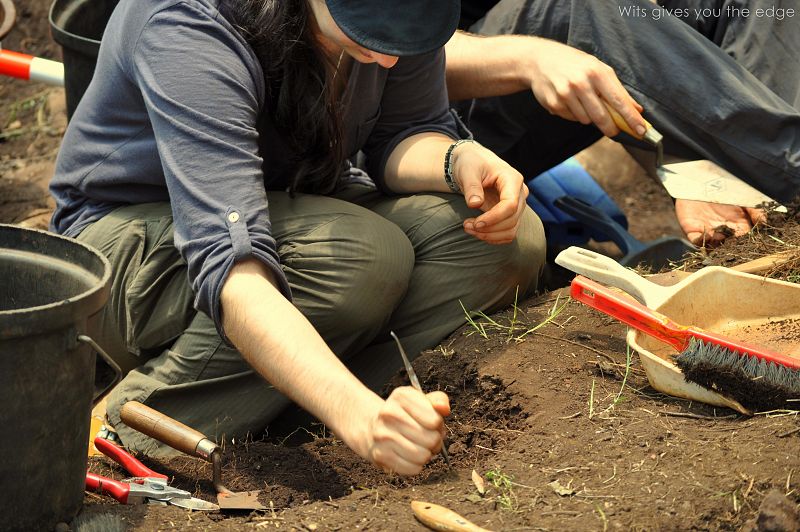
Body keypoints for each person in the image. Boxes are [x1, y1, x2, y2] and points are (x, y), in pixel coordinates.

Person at [50, 0, 545, 474]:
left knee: (504, 240)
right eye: (369, 28)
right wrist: (358, 417)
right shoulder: (191, 23)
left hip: (299, 200)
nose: (391, 57)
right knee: (360, 256)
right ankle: (126, 431)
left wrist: (455, 160)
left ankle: (297, 419)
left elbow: (404, 130)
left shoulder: (397, 21)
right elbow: (232, 269)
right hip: (124, 250)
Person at [447, 0, 800, 246]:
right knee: (572, 7)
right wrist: (530, 58)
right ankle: (790, 180)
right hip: (441, 122)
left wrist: (691, 167)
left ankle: (769, 216)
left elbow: (631, 40)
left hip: (541, 91)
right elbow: (405, 62)